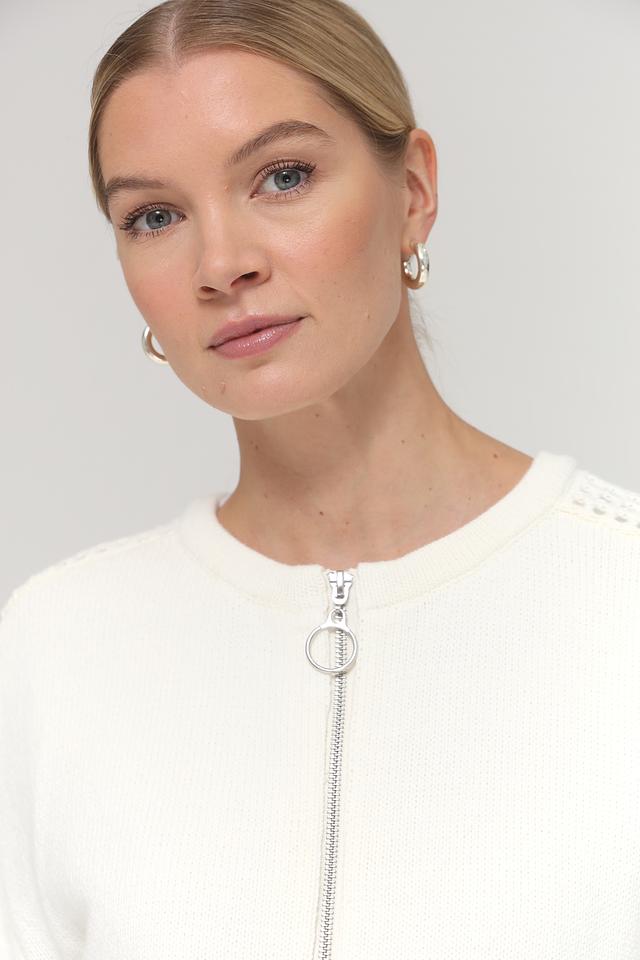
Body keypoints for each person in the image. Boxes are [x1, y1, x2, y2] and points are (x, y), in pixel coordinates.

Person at [1, 0, 639, 956]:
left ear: (412, 191)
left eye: (283, 176)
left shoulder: (620, 598)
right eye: (155, 216)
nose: (222, 264)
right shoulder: (53, 648)